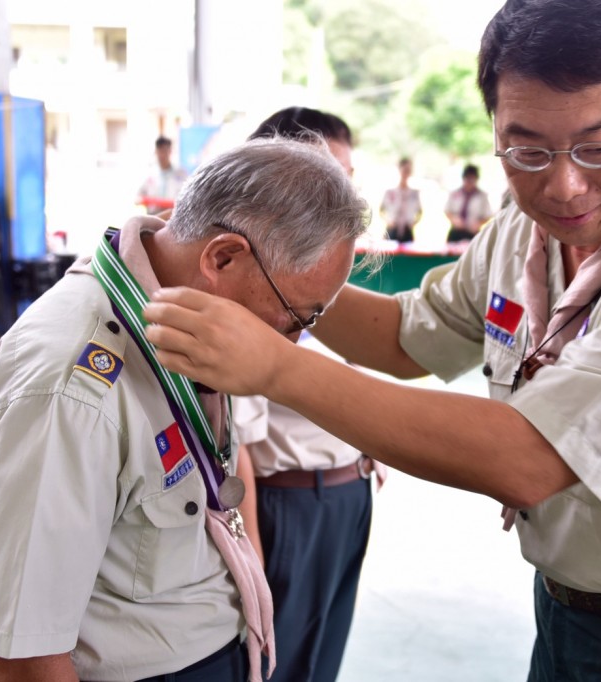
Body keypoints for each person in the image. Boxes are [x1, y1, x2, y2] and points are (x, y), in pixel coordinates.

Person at [143, 0, 601, 679]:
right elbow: (406, 339)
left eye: (598, 145)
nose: (562, 184)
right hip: (571, 610)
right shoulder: (526, 235)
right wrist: (260, 274)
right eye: (525, 149)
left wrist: (275, 365)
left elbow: (528, 459)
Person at [0, 135, 370, 682]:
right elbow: (25, 656)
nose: (292, 342)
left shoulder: (188, 318)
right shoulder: (71, 387)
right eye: (296, 316)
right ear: (222, 257)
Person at [235, 105, 385, 682]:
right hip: (286, 504)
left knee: (323, 654)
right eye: (324, 178)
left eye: (345, 179)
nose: (340, 197)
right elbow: (239, 446)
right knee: (275, 657)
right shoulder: (256, 282)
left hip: (348, 491)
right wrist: (251, 562)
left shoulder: (329, 270)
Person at [137, 135, 189, 211]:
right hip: (153, 216)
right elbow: (137, 198)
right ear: (155, 152)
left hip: (173, 217)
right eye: (160, 151)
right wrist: (149, 201)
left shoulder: (181, 173)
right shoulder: (148, 174)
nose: (162, 155)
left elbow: (187, 197)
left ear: (170, 151)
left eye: (165, 151)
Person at [445, 163, 494, 242]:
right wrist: (454, 219)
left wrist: (478, 223)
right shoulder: (455, 193)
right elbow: (447, 210)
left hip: (472, 232)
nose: (469, 182)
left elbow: (488, 214)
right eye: (467, 179)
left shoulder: (482, 196)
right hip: (456, 231)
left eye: (472, 179)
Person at [379, 157, 422, 243]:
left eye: (409, 170)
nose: (406, 173)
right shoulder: (390, 192)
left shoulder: (414, 193)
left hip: (407, 230)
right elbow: (381, 210)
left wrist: (413, 222)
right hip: (392, 228)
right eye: (404, 169)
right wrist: (388, 221)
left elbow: (420, 212)